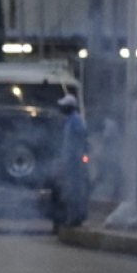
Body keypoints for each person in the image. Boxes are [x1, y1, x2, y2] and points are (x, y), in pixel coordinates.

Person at [54, 94, 89, 228]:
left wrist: (79, 155)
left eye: (64, 106)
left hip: (75, 160)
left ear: (69, 107)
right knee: (69, 189)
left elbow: (82, 136)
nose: (61, 108)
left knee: (74, 189)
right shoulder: (70, 121)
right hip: (70, 160)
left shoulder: (76, 121)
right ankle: (72, 217)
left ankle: (75, 218)